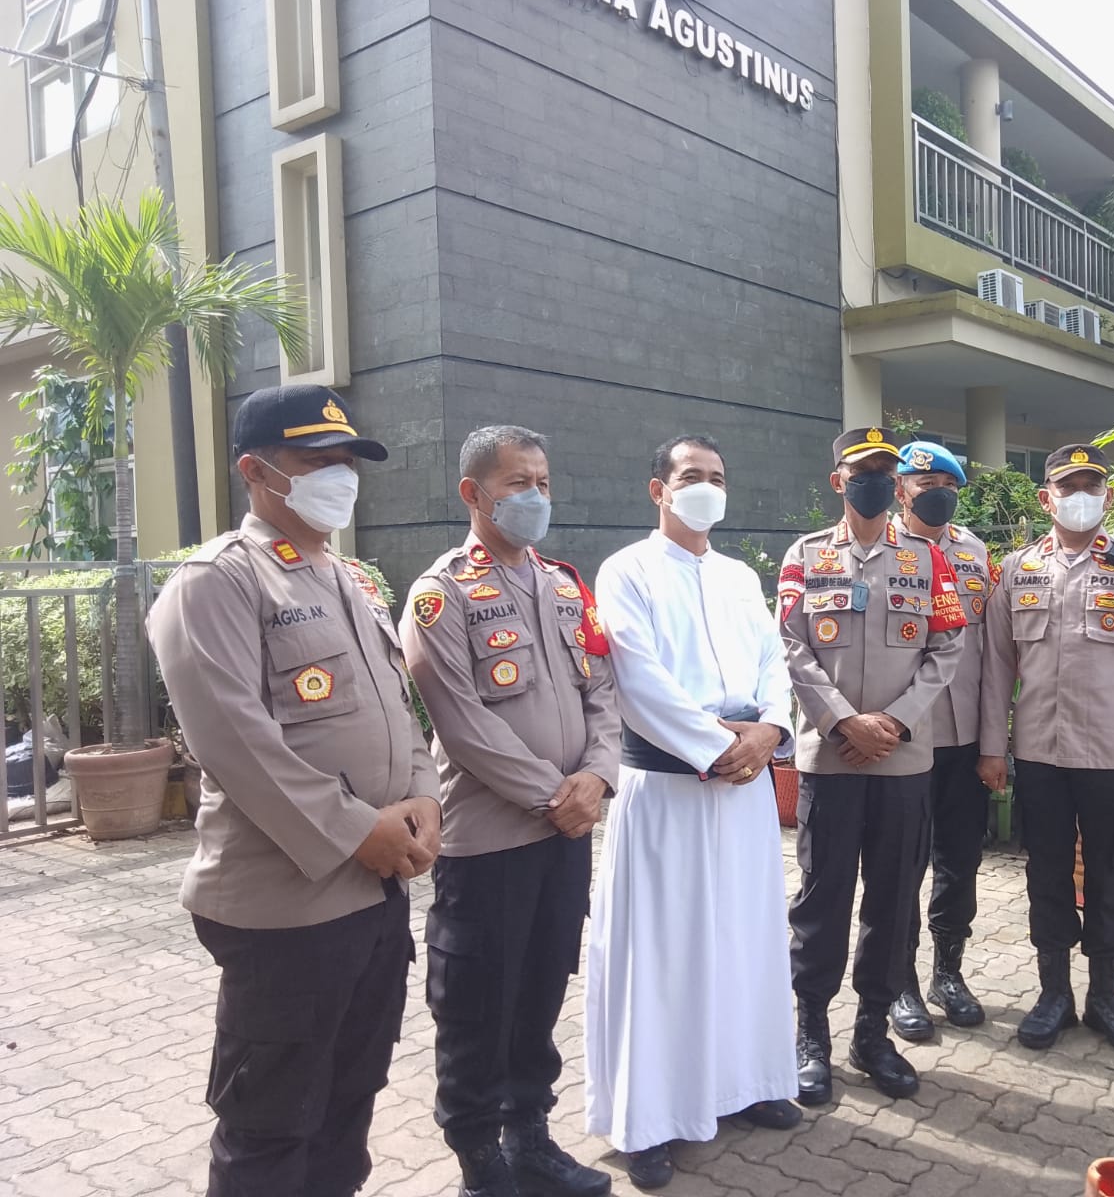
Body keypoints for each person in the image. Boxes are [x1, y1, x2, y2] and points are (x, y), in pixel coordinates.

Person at [147, 384, 442, 1197]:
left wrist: (424, 797)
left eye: (347, 462)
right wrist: (358, 831)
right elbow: (237, 745)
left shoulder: (348, 578)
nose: (339, 478)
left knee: (350, 1104)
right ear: (256, 470)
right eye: (317, 462)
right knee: (272, 1128)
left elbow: (398, 709)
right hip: (285, 908)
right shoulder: (217, 582)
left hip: (375, 893)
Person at [401, 426, 619, 1197]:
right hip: (488, 843)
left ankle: (529, 1138)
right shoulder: (442, 593)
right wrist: (553, 795)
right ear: (474, 494)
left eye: (544, 482)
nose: (535, 496)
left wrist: (596, 778)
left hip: (566, 836)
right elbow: (460, 721)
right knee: (477, 1007)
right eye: (519, 482)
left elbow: (603, 694)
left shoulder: (566, 585)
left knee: (540, 992)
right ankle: (478, 1160)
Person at [584, 434, 801, 1190]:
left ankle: (747, 1084)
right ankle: (650, 1119)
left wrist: (771, 731)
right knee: (663, 953)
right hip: (670, 788)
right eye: (690, 476)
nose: (706, 487)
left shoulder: (741, 576)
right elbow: (637, 680)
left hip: (741, 789)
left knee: (744, 938)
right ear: (658, 490)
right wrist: (717, 746)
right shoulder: (627, 572)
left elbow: (775, 663)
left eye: (716, 476)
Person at [978, 443, 1114, 1056]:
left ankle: (1105, 996)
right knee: (1044, 873)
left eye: (1091, 486)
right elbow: (996, 668)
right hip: (1039, 753)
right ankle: (1053, 995)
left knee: (1108, 873)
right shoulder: (1017, 570)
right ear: (1047, 498)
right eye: (1068, 487)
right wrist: (994, 748)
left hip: (1113, 755)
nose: (1080, 497)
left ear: (1108, 497)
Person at [780, 427, 967, 1107]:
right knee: (821, 904)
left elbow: (947, 648)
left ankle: (871, 1034)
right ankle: (811, 1037)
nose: (878, 484)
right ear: (838, 481)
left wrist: (894, 722)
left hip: (901, 761)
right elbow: (791, 646)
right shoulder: (805, 557)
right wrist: (842, 721)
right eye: (863, 472)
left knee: (891, 903)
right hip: (831, 761)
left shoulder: (927, 559)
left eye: (888, 473)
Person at [885, 441, 997, 1041]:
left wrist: (994, 741)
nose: (936, 492)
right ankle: (900, 980)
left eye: (947, 484)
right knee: (903, 861)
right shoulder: (882, 549)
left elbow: (993, 651)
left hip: (964, 736)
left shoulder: (976, 554)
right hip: (906, 736)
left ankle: (947, 973)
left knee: (961, 860)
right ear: (900, 487)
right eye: (923, 481)